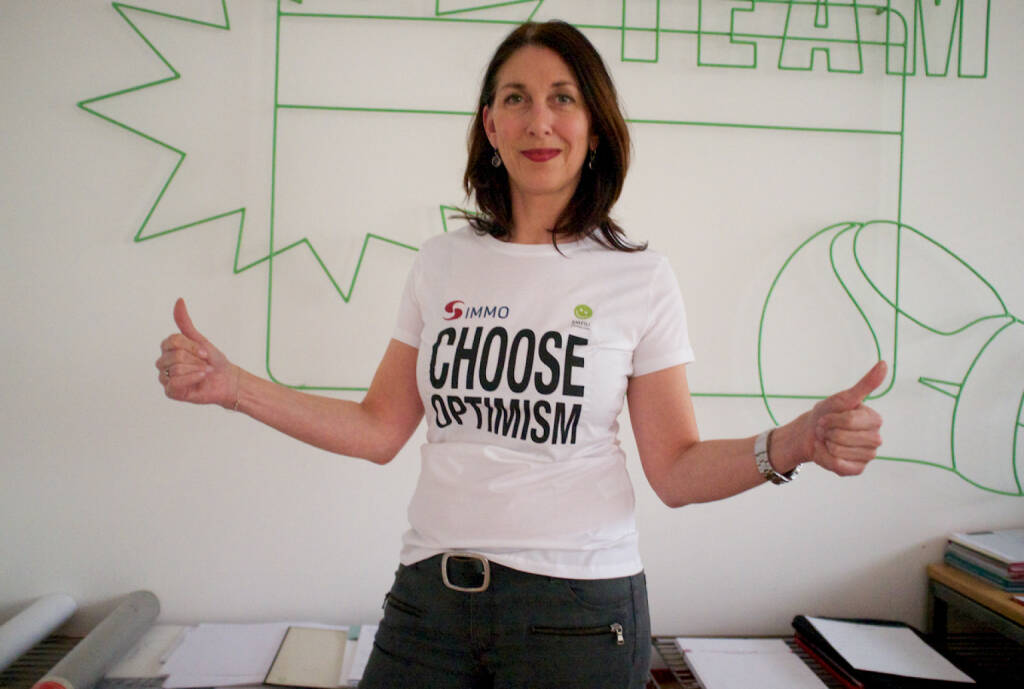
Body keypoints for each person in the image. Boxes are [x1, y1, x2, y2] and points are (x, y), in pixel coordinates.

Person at [156, 20, 885, 689]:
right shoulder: (441, 262)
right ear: (491, 125)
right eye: (517, 99)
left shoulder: (639, 278)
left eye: (562, 98)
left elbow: (674, 469)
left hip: (577, 615)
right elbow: (378, 429)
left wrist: (796, 442)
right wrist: (233, 386)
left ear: (594, 127)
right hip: (429, 604)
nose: (539, 120)